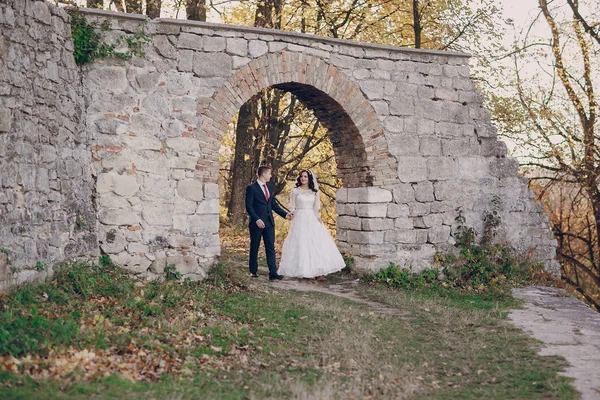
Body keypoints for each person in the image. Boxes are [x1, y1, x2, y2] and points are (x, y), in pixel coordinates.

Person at [278, 170, 346, 278]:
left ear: (309, 178)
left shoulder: (314, 192)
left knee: (314, 242)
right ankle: (302, 269)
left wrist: (318, 218)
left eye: (305, 176)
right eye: (301, 176)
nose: (303, 178)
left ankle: (316, 269)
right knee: (301, 243)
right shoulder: (295, 191)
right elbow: (292, 205)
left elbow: (316, 207)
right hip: (299, 217)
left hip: (311, 217)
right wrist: (292, 213)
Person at [245, 165, 293, 281]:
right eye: (269, 174)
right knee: (255, 246)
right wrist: (256, 219)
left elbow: (273, 205)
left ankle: (273, 273)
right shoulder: (251, 188)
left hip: (269, 222)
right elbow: (249, 206)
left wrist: (285, 215)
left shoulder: (270, 188)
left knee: (270, 247)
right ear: (263, 174)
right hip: (257, 223)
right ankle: (253, 271)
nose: (271, 176)